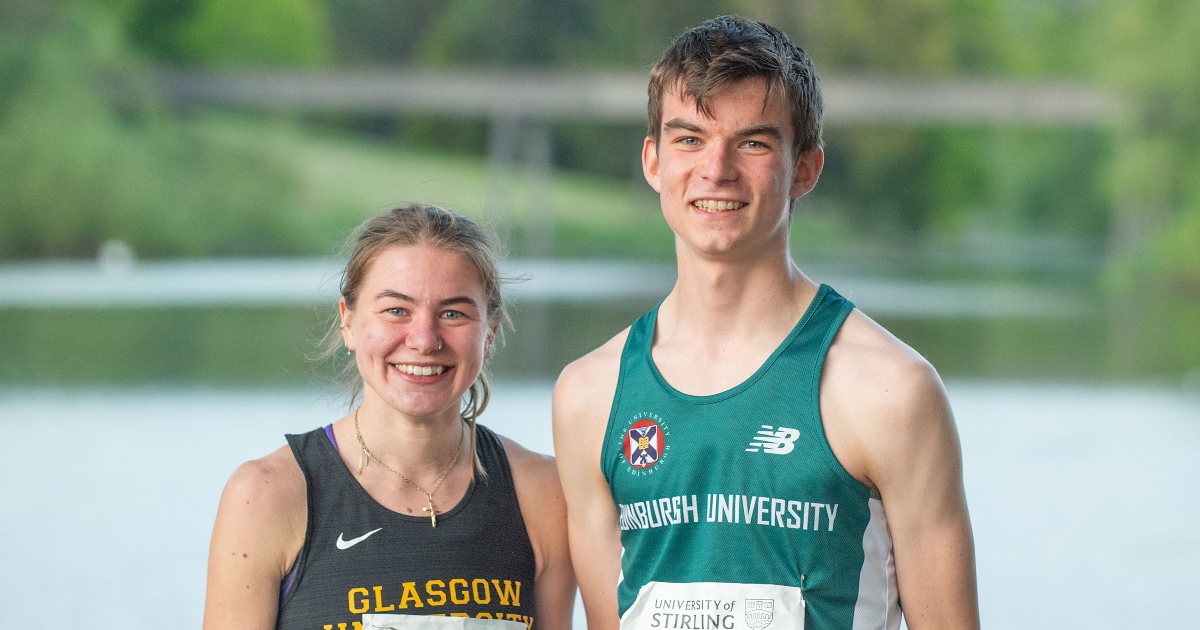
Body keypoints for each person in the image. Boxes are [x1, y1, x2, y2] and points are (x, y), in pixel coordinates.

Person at [552, 16, 979, 630]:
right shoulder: (588, 396)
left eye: (752, 143)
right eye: (690, 139)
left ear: (805, 168)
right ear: (653, 161)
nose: (716, 168)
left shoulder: (891, 391)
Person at [203, 204, 575, 630]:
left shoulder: (543, 492)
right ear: (348, 321)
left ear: (489, 330)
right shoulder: (266, 496)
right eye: (396, 310)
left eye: (453, 313)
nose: (424, 340)